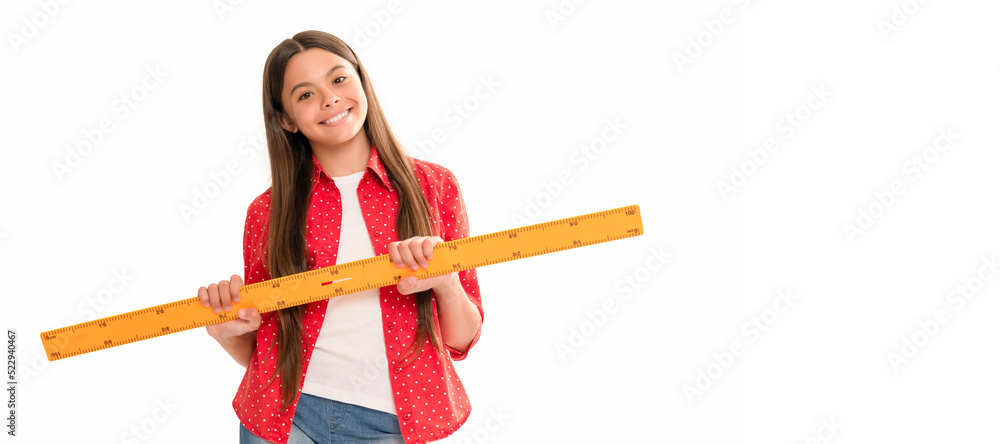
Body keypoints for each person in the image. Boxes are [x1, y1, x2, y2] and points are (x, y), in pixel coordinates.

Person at [198, 30, 484, 444]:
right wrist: (228, 332)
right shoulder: (267, 213)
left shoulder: (434, 187)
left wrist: (445, 281)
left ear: (361, 81)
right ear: (286, 119)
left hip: (395, 423)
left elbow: (462, 338)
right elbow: (265, 351)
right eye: (304, 95)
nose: (330, 99)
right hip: (285, 417)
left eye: (337, 79)